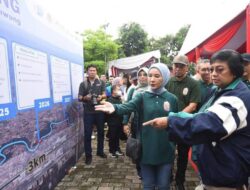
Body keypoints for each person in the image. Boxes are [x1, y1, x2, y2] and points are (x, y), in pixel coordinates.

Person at [143, 49, 250, 190]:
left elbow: (209, 123)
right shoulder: (218, 90)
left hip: (226, 176)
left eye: (220, 70)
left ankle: (179, 180)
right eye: (212, 69)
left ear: (235, 71)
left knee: (180, 159)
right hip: (214, 172)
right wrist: (174, 117)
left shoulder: (237, 98)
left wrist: (171, 122)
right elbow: (201, 115)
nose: (213, 74)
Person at [96, 63, 178, 189]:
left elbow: (176, 123)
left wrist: (174, 145)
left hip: (165, 149)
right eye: (150, 75)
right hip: (146, 148)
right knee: (148, 185)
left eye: (157, 76)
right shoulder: (142, 96)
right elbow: (128, 106)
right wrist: (115, 107)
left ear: (165, 77)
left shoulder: (172, 99)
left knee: (163, 185)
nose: (152, 79)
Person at [166, 55, 201, 190]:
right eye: (176, 65)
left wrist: (176, 117)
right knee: (168, 152)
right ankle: (168, 176)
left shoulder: (193, 84)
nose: (178, 68)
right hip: (169, 124)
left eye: (181, 66)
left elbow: (193, 106)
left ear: (187, 67)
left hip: (185, 125)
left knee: (182, 155)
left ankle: (180, 180)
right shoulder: (168, 82)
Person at [78, 64, 107, 165]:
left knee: (101, 133)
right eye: (90, 70)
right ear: (87, 72)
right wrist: (86, 98)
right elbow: (79, 97)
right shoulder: (83, 84)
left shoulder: (101, 82)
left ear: (96, 72)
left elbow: (105, 94)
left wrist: (100, 97)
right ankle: (88, 156)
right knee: (87, 134)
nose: (92, 72)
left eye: (94, 70)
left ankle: (100, 151)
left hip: (99, 111)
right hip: (88, 112)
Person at [106, 85, 124, 158]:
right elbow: (109, 111)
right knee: (112, 136)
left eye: (120, 89)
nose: (120, 91)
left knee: (117, 136)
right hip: (112, 122)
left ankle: (117, 149)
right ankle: (111, 151)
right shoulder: (110, 100)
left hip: (119, 121)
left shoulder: (119, 99)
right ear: (113, 91)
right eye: (118, 89)